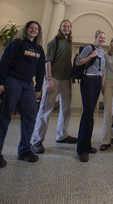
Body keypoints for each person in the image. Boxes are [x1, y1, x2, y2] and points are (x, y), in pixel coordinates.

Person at [0, 20, 45, 168]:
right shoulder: (17, 43)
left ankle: (24, 150)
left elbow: (40, 70)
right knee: (4, 115)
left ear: (39, 32)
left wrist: (38, 87)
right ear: (26, 30)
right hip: (12, 81)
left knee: (31, 115)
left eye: (36, 28)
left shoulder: (39, 49)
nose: (33, 30)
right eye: (31, 27)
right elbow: (4, 62)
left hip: (27, 85)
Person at [31, 20, 77, 155]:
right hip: (54, 80)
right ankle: (36, 141)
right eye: (64, 26)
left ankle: (62, 135)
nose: (66, 28)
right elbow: (48, 61)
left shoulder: (69, 43)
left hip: (66, 81)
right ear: (60, 28)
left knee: (66, 109)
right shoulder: (54, 42)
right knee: (46, 109)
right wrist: (49, 79)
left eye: (68, 26)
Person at [76, 30, 106, 162]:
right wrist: (91, 55)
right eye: (100, 37)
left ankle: (87, 146)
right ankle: (82, 149)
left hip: (97, 81)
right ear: (95, 38)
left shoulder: (103, 52)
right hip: (88, 80)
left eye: (104, 38)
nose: (102, 40)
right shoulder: (89, 47)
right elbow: (78, 62)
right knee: (87, 114)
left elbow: (102, 70)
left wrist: (102, 84)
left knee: (91, 114)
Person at [100, 37, 113, 151]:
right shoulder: (105, 55)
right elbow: (102, 71)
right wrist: (101, 85)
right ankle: (105, 140)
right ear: (111, 43)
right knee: (108, 112)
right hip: (108, 82)